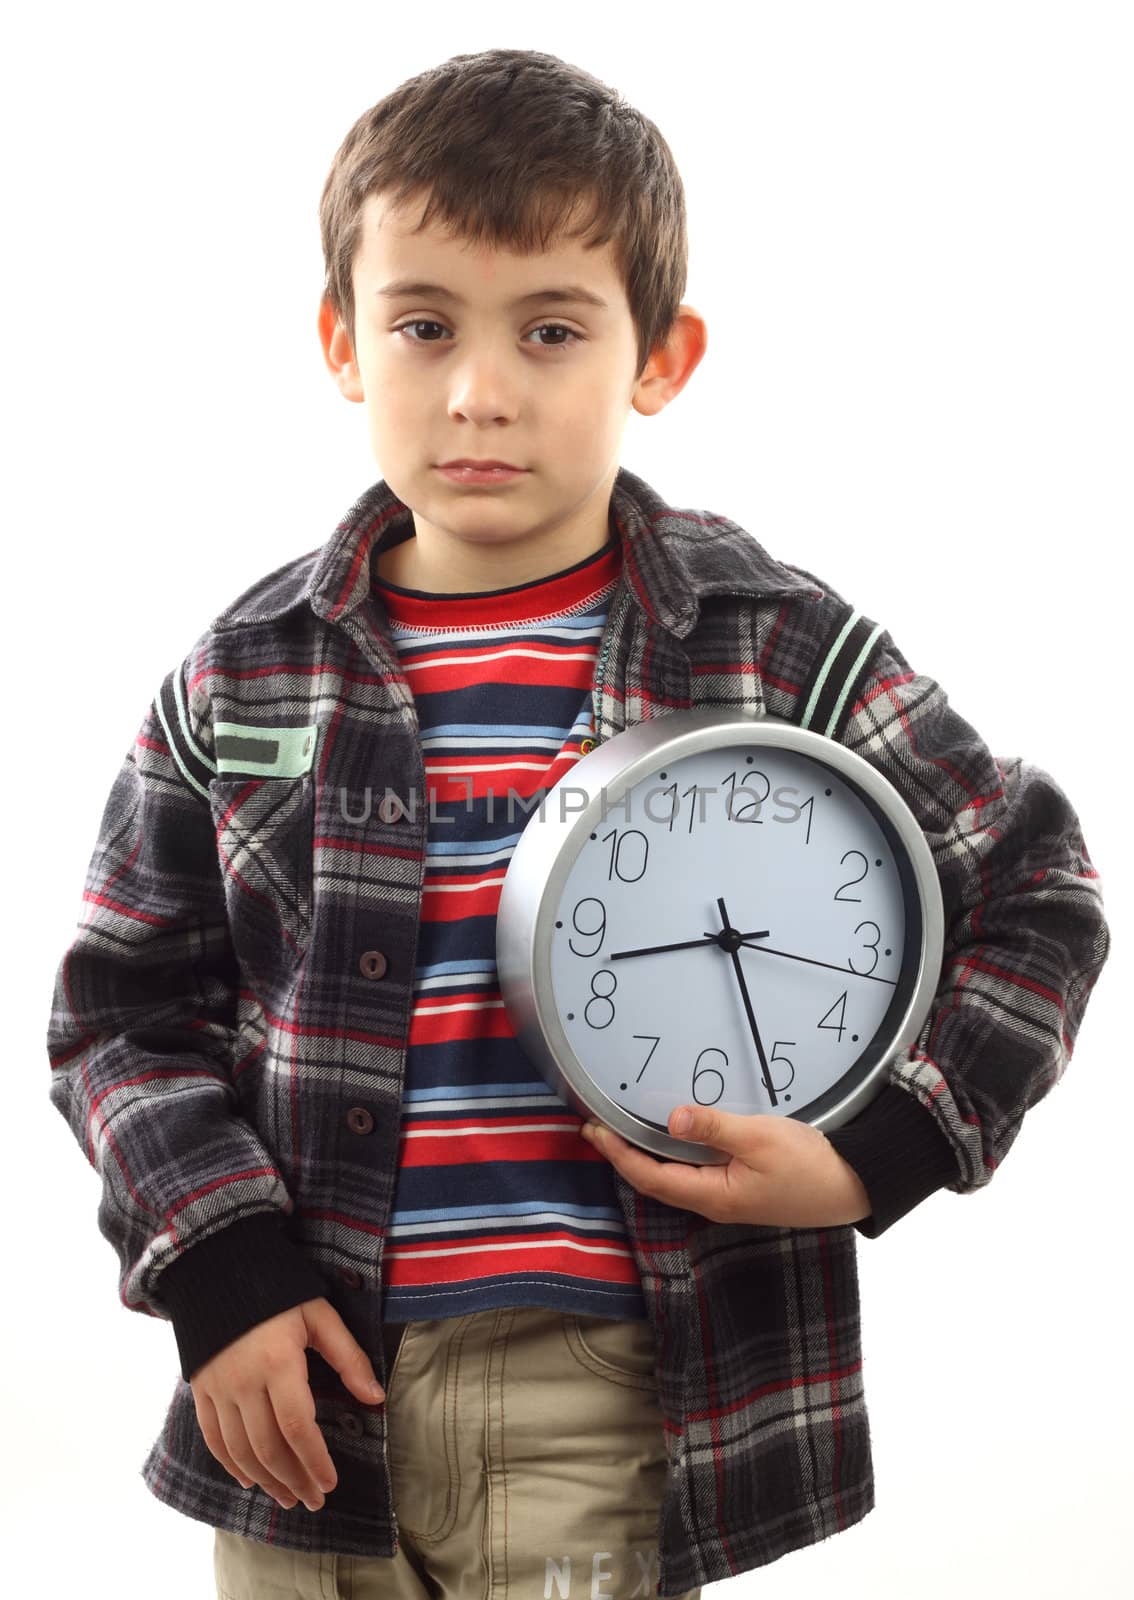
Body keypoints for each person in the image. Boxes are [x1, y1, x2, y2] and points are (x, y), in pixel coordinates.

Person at [46, 46, 1111, 1600]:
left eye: (551, 330)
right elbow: (125, 1011)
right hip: (300, 1380)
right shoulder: (244, 671)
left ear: (657, 356)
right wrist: (217, 1264)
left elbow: (1038, 888)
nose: (480, 392)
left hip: (620, 1388)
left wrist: (882, 1149)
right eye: (423, 326)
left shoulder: (766, 645)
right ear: (344, 342)